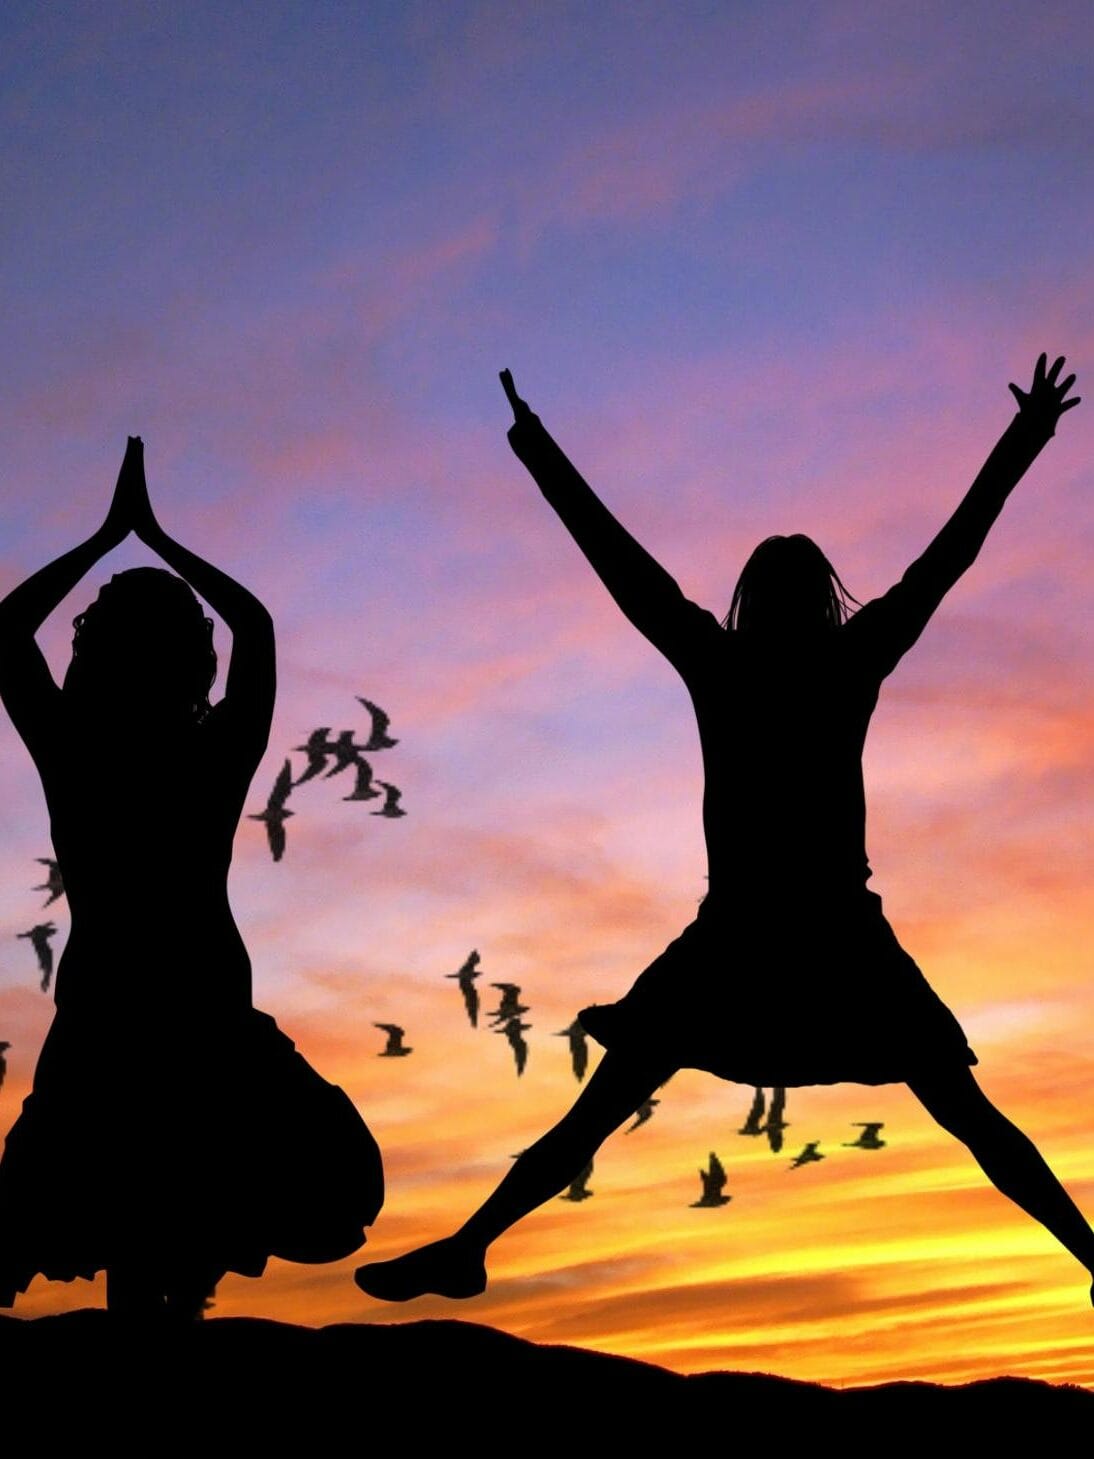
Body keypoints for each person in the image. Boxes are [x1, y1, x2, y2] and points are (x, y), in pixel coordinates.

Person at [355, 353, 1093, 1306]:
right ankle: (469, 1244)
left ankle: (472, 1243)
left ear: (759, 598)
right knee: (965, 1112)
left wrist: (534, 446)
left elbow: (621, 563)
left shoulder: (729, 660)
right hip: (803, 933)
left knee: (608, 1107)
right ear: (821, 597)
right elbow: (945, 557)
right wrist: (1025, 437)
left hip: (777, 933)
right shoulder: (839, 657)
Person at [0, 438, 383, 1318]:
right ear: (191, 659)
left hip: (130, 1017)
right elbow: (256, 626)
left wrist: (109, 538)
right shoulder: (209, 753)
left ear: (95, 652)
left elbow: (5, 631)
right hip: (190, 1017)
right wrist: (155, 537)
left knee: (140, 1239)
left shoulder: (76, 750)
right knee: (166, 1240)